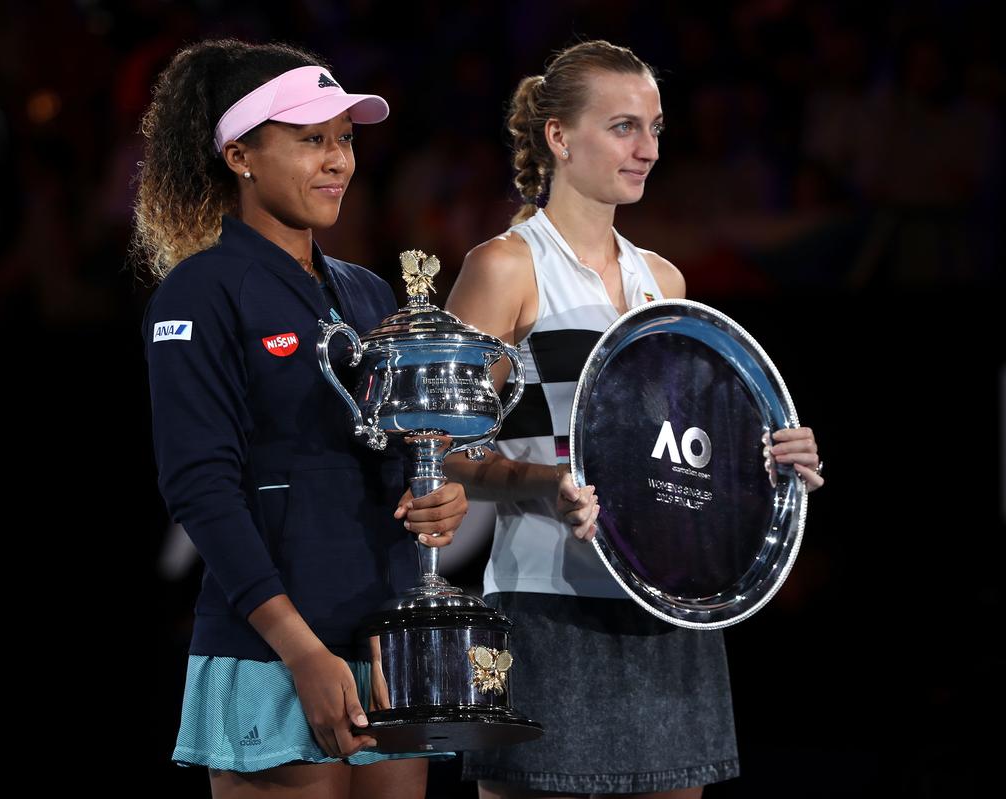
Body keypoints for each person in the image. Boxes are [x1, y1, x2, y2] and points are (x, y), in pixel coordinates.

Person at [443, 40, 825, 799]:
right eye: (624, 127)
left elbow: (680, 454)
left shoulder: (665, 280)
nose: (648, 149)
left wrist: (766, 462)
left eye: (655, 127)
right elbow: (443, 449)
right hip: (547, 613)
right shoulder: (505, 267)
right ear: (559, 137)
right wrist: (541, 482)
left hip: (668, 612)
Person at [134, 39, 468, 799]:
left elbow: (399, 457)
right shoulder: (199, 293)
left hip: (387, 648)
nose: (337, 160)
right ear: (242, 154)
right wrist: (303, 653)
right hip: (273, 650)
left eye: (345, 140)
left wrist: (437, 498)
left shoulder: (373, 296)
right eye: (311, 139)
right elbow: (199, 488)